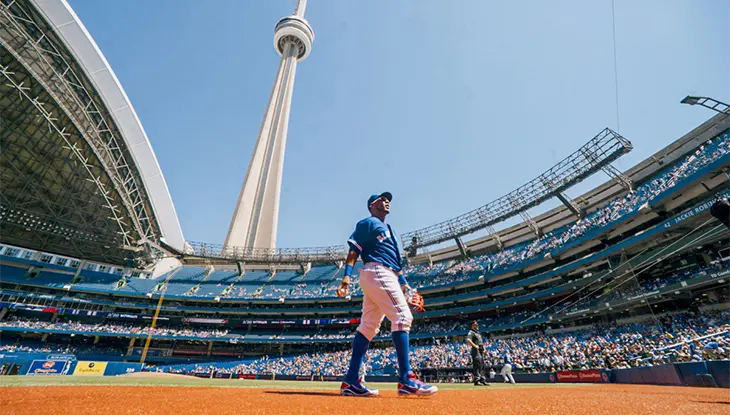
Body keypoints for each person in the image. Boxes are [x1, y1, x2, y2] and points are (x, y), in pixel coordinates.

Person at [336, 192, 438, 397]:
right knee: (402, 317)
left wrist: (407, 290)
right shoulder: (368, 222)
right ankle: (406, 380)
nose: (386, 201)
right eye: (381, 199)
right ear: (372, 205)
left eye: (388, 199)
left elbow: (397, 268)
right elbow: (354, 251)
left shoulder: (390, 230)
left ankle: (350, 382)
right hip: (376, 271)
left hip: (385, 273)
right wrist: (346, 277)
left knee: (368, 327)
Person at [465, 321, 488, 386]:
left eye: (477, 325)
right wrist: (475, 346)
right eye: (475, 325)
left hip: (480, 350)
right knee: (477, 365)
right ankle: (477, 380)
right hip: (475, 350)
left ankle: (483, 380)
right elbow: (468, 340)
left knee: (482, 365)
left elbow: (481, 343)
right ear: (472, 326)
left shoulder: (478, 333)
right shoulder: (471, 332)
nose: (477, 326)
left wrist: (483, 349)